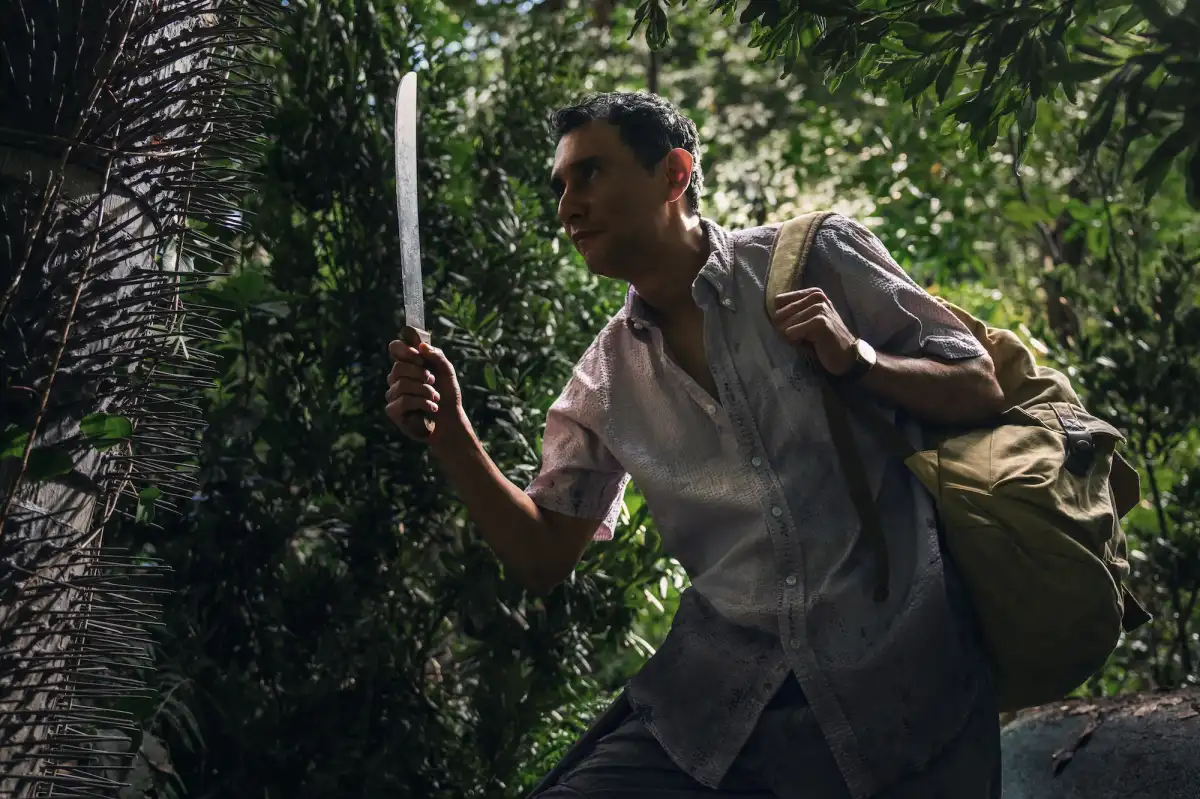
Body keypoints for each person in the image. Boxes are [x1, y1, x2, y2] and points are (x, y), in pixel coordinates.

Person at [385, 91, 1008, 799]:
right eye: (560, 186)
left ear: (674, 174)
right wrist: (452, 433)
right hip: (716, 713)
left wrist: (858, 358)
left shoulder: (816, 259)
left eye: (590, 174)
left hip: (911, 693)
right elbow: (542, 556)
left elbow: (978, 385)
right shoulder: (605, 380)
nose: (567, 208)